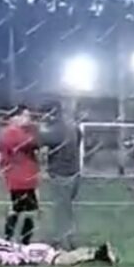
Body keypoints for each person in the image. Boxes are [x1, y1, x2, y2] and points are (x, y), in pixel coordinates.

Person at [0, 213, 117, 267]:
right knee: (62, 257)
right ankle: (97, 253)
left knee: (61, 260)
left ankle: (98, 253)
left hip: (29, 253)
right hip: (27, 251)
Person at [39, 102, 82, 251]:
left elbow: (40, 140)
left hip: (61, 173)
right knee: (67, 208)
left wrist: (40, 127)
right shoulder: (73, 126)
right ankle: (70, 237)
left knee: (60, 209)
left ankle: (61, 241)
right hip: (75, 171)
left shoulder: (56, 129)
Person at [0, 106, 40, 245]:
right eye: (25, 116)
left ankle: (13, 239)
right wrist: (36, 132)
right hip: (20, 179)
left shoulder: (19, 131)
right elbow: (33, 142)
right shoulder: (12, 132)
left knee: (21, 210)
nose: (29, 119)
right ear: (15, 117)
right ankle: (18, 240)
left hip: (25, 178)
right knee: (24, 211)